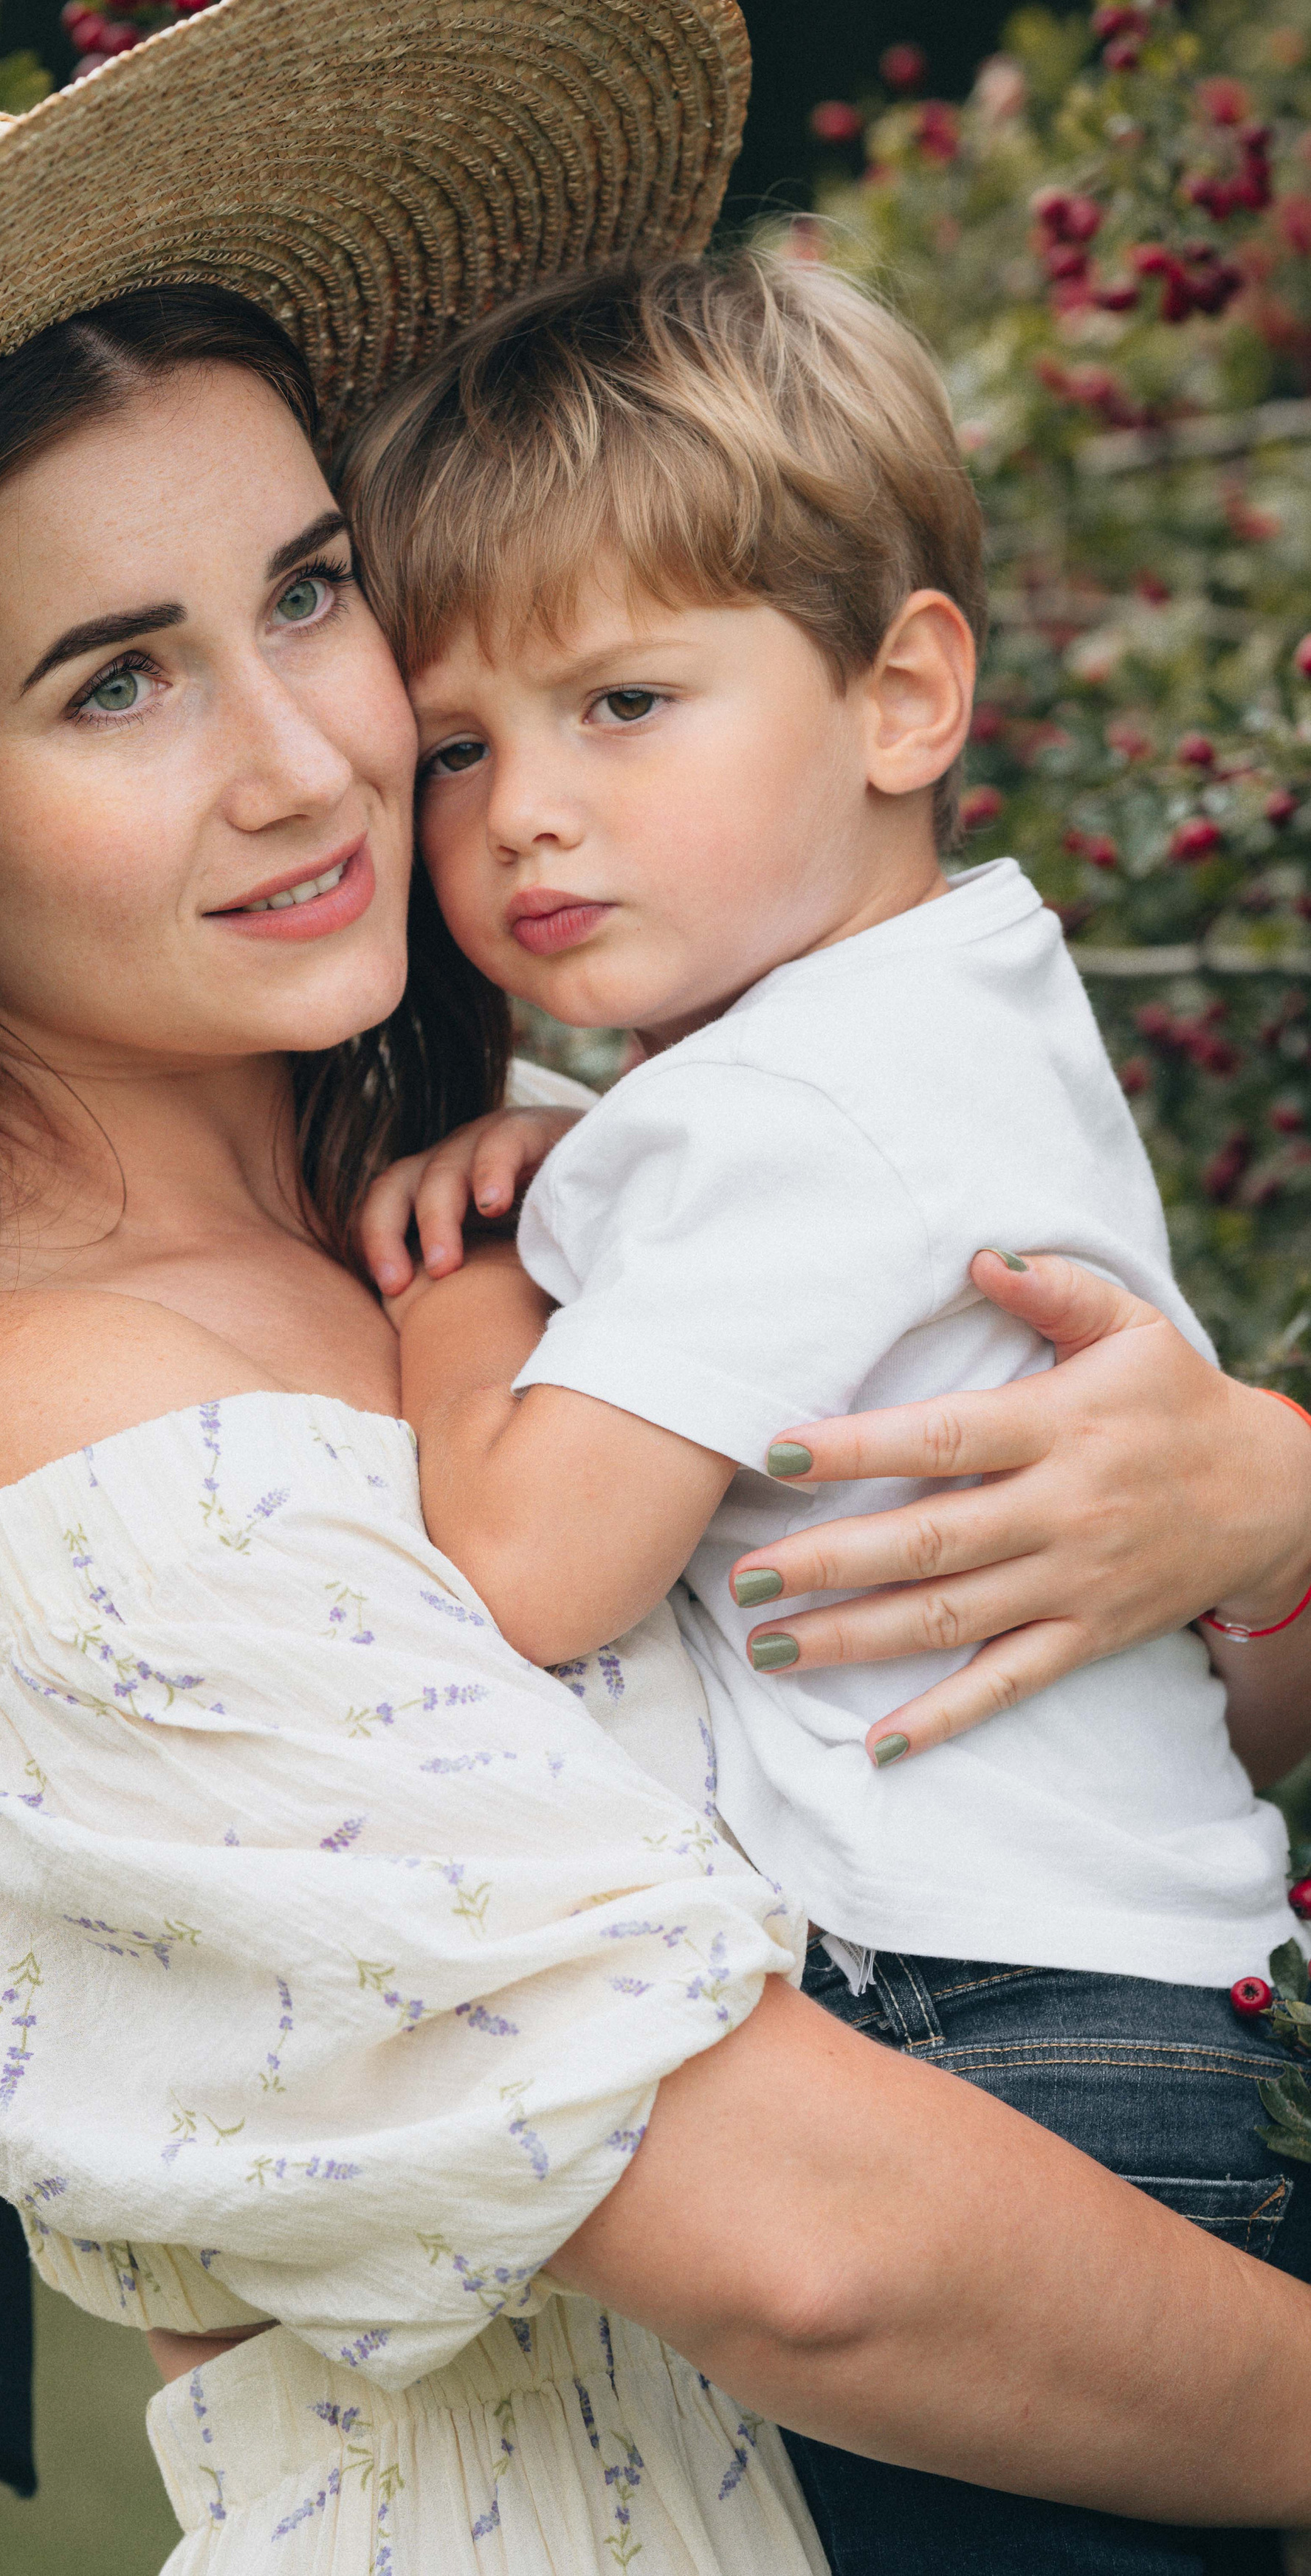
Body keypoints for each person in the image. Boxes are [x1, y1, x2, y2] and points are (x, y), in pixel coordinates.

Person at [0, 0, 1311, 2575]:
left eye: (311, 592)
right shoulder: (65, 1477)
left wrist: (1248, 1506)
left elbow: (968, 1786)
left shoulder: (513, 1187)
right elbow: (827, 2254)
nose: (319, 753)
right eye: (116, 681)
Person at [345, 249, 1311, 2569]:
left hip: (996, 2048)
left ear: (903, 696)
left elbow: (528, 1564)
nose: (524, 819)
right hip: (1121, 2023)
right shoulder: (911, 1029)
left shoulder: (810, 1102)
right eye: (461, 746)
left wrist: (454, 1277)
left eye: (625, 705)